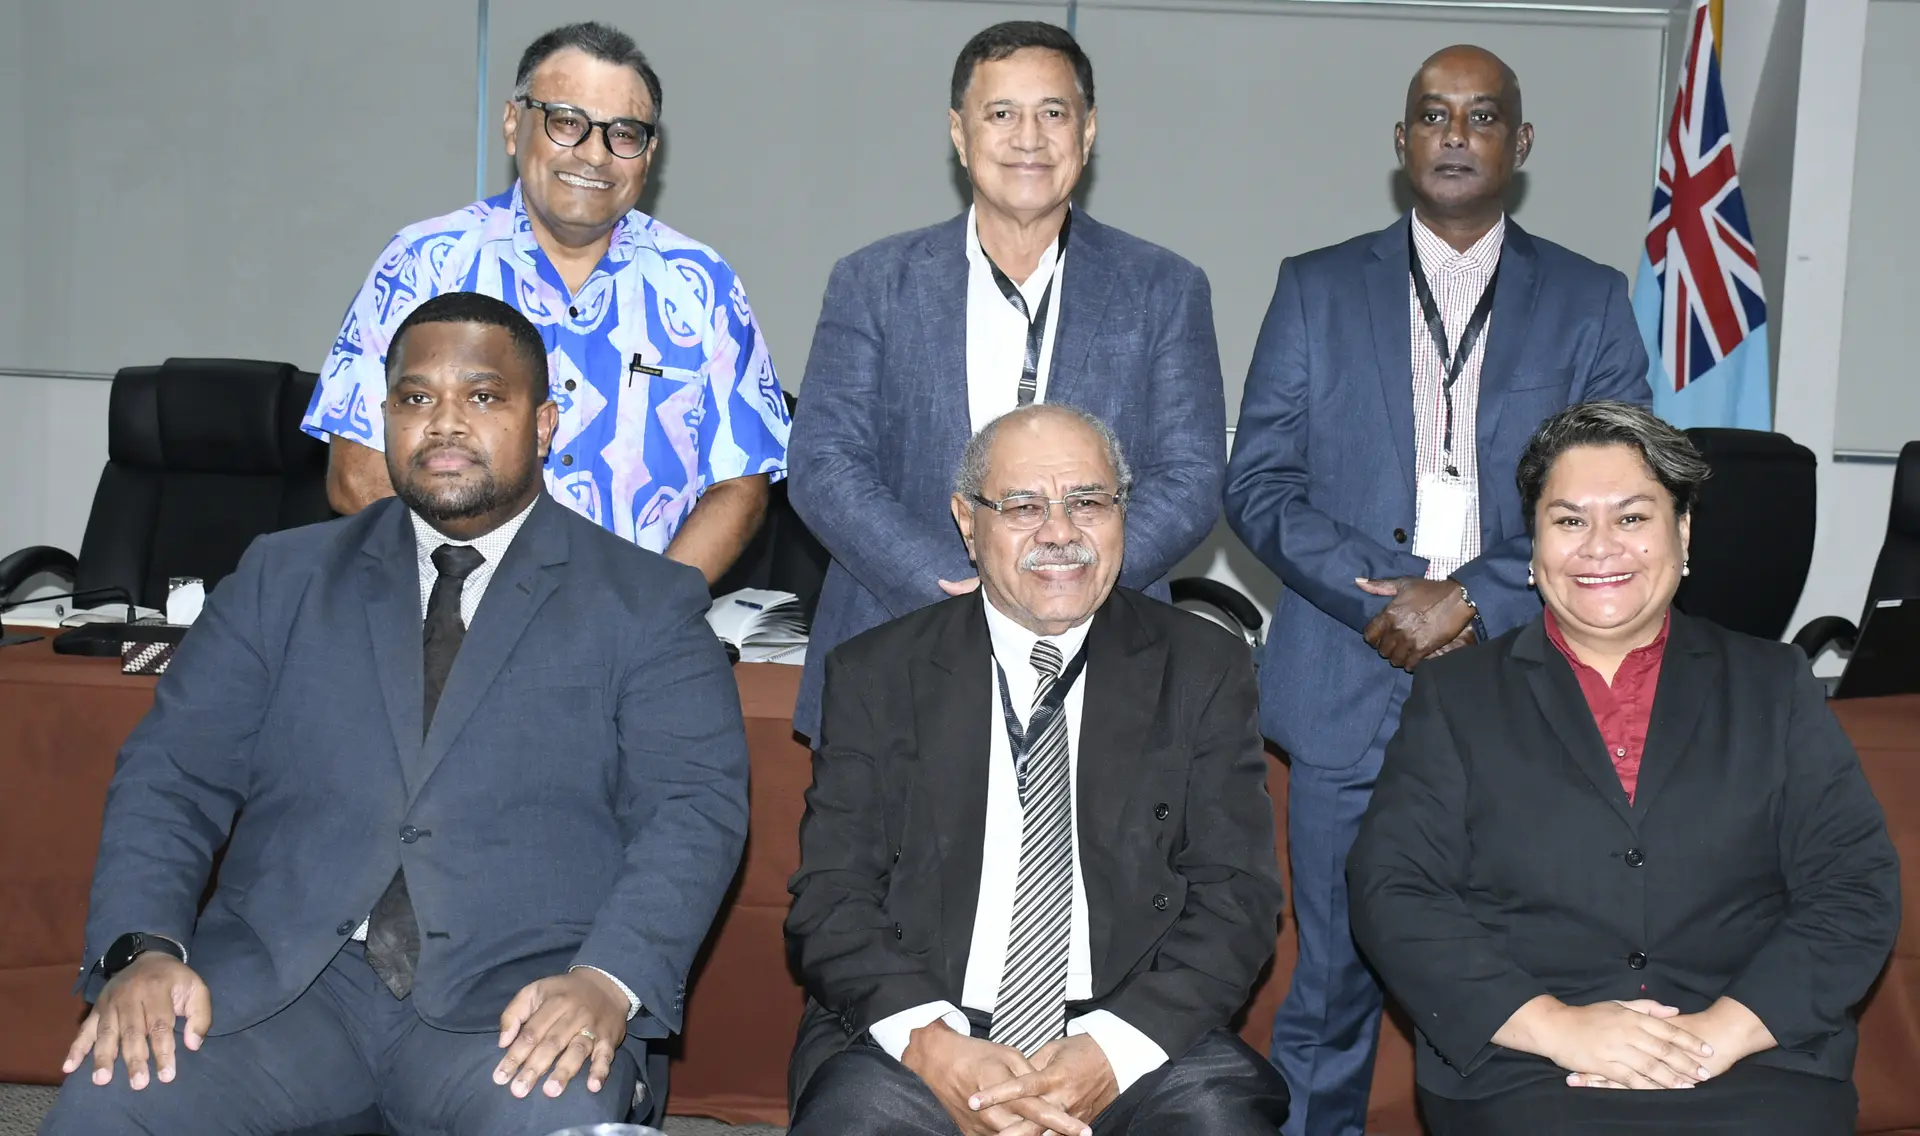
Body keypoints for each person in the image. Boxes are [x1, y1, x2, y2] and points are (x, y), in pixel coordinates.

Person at [41, 292, 750, 1136]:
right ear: (385, 418)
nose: (444, 423)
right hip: (282, 988)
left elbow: (693, 810)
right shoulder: (282, 576)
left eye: (483, 397)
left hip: (523, 1001)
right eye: (416, 399)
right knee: (109, 1098)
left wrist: (609, 980)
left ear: (547, 422)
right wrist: (142, 949)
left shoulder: (643, 600)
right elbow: (171, 776)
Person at [1222, 44, 1653, 1136]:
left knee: (1521, 974)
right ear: (1402, 140)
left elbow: (1621, 485)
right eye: (1433, 114)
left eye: (1481, 115)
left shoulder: (1590, 300)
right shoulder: (1314, 285)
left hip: (1519, 686)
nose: (1456, 134)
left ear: (1521, 142)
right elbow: (1258, 481)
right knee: (1328, 982)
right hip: (1348, 671)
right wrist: (1386, 592)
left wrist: (1472, 594)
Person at [1347, 401, 1900, 1134]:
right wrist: (1558, 1027)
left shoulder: (1774, 684)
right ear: (1535, 548)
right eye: (1569, 520)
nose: (1599, 546)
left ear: (1683, 533)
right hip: (1529, 1068)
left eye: (1633, 518)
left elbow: (1853, 887)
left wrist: (1719, 1035)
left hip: (1753, 1061)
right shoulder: (1458, 696)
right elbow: (1394, 891)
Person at [784, 404, 1289, 1136]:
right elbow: (831, 898)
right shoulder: (876, 673)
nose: (1059, 532)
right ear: (966, 521)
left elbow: (1236, 898)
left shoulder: (1203, 669)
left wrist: (1112, 1050)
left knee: (1218, 1121)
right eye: (1022, 506)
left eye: (1088, 501)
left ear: (1123, 512)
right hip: (928, 1022)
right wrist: (935, 1046)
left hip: (1125, 1022)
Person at [786, 20, 1226, 741]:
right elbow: (824, 464)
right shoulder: (873, 282)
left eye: (1053, 113)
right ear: (959, 134)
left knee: (1091, 859)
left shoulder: (1164, 288)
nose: (1029, 138)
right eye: (1002, 114)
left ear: (1087, 134)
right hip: (902, 647)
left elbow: (1191, 475)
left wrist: (1063, 585)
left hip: (1103, 656)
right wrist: (963, 591)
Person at [303, 21, 789, 584]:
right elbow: (357, 476)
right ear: (513, 126)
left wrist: (646, 615)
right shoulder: (422, 265)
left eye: (624, 133)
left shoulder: (702, 284)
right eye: (566, 122)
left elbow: (740, 485)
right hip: (446, 620)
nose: (594, 155)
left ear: (649, 153)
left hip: (631, 641)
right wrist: (492, 597)